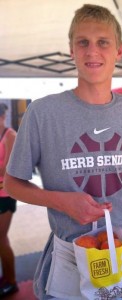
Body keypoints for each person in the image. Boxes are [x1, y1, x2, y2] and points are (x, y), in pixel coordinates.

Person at [4, 4, 122, 300]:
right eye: (83, 42)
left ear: (118, 51)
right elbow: (12, 184)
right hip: (69, 258)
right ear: (71, 50)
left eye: (103, 42)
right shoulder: (42, 112)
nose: (92, 51)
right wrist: (62, 202)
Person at [0, 103, 18, 297]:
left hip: (6, 194)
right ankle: (5, 276)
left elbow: (8, 169)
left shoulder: (10, 136)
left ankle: (12, 281)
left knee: (1, 238)